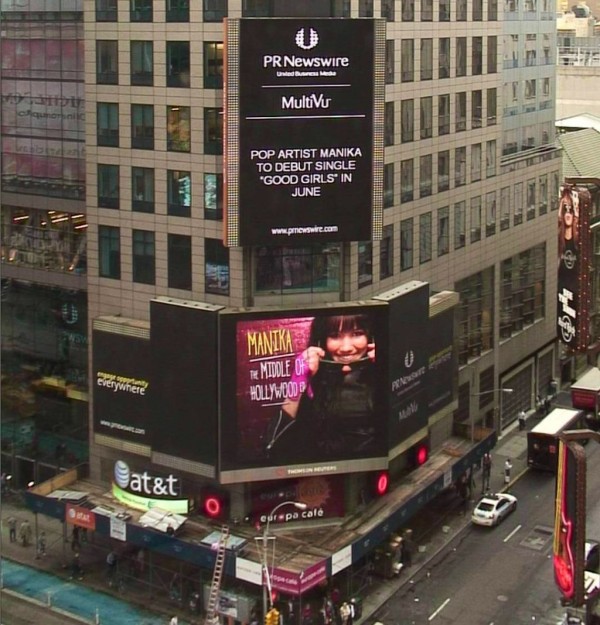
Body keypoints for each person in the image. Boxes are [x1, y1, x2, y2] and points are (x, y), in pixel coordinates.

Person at [265, 314, 379, 462]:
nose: (346, 348)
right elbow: (273, 447)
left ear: (371, 337)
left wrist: (386, 371)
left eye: (357, 334)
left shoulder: (379, 373)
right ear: (322, 341)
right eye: (335, 336)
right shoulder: (315, 379)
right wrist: (298, 381)